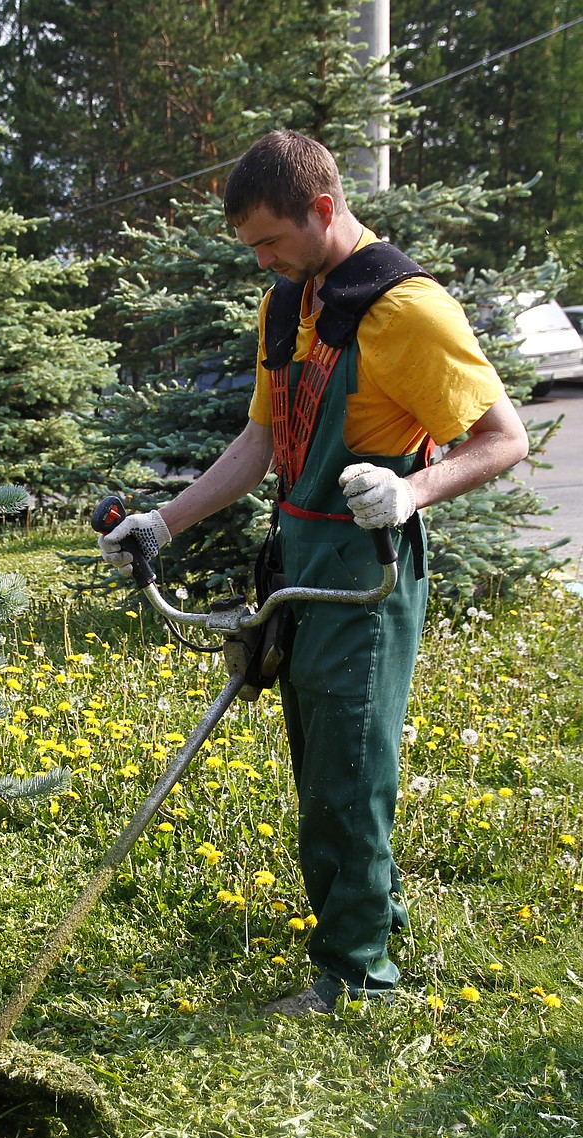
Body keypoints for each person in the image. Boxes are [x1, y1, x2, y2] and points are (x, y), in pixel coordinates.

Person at [98, 130, 529, 1016]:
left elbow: (503, 441)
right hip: (296, 553)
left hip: (365, 566)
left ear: (322, 210)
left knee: (349, 768)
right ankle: (372, 918)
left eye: (268, 241)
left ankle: (358, 975)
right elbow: (261, 442)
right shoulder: (286, 305)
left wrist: (411, 490)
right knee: (321, 758)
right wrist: (164, 522)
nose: (260, 260)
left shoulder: (411, 311)